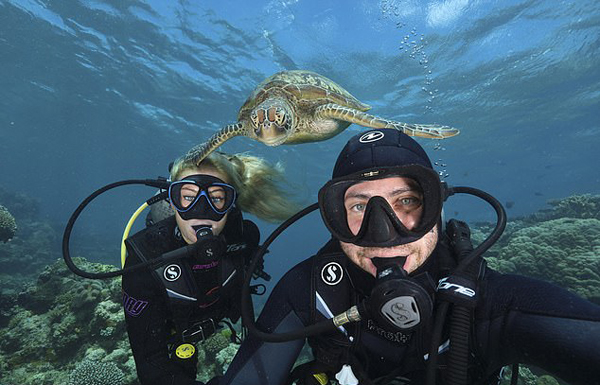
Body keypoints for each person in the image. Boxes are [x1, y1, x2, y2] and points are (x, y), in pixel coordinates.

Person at [219, 129, 600, 385]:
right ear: (334, 217)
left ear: (435, 207)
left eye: (407, 201)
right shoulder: (311, 290)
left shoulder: (488, 303)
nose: (383, 234)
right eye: (359, 206)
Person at [122, 151, 299, 385]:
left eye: (216, 198)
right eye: (187, 197)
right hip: (174, 333)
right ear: (172, 201)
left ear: (230, 204)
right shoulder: (145, 259)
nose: (202, 212)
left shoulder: (244, 237)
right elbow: (150, 364)